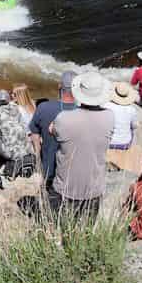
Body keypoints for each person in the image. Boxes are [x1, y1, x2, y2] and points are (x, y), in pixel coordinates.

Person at [49, 72, 114, 218]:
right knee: (87, 230)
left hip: (64, 187)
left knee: (60, 227)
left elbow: (52, 130)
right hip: (94, 188)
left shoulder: (63, 118)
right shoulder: (110, 117)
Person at [29, 72, 75, 188]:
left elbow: (34, 135)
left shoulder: (43, 107)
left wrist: (38, 159)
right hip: (73, 172)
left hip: (48, 170)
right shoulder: (82, 112)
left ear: (59, 86)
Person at [106, 82, 139, 150]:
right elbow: (135, 126)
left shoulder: (107, 105)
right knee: (132, 128)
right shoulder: (132, 109)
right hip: (124, 144)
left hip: (107, 142)